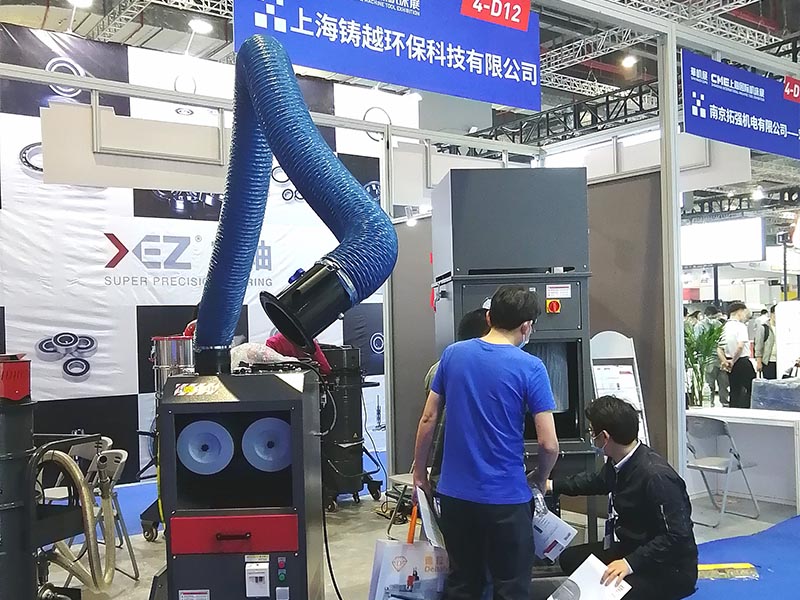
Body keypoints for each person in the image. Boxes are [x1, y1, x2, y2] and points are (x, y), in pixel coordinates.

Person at [412, 285, 560, 600]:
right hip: (507, 500)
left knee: (463, 584)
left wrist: (420, 474)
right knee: (510, 588)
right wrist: (540, 477)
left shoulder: (453, 355)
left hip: (456, 498)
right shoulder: (531, 367)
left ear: (489, 317)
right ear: (527, 326)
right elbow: (549, 444)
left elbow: (428, 419)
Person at [550, 396, 697, 600]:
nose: (591, 437)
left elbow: (677, 536)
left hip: (669, 568)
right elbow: (597, 482)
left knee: (609, 593)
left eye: (592, 432)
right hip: (632, 547)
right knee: (570, 559)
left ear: (604, 437)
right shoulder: (619, 462)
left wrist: (629, 564)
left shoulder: (656, 476)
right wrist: (552, 485)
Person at [424, 308, 491, 490]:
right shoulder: (485, 369)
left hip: (444, 475)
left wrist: (420, 470)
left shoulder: (437, 368)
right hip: (477, 477)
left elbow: (429, 420)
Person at [718, 302, 756, 408]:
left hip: (729, 363)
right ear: (739, 311)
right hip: (742, 362)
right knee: (752, 388)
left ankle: (734, 411)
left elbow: (719, 348)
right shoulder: (740, 326)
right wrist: (733, 361)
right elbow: (740, 346)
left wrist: (725, 361)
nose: (745, 315)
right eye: (744, 312)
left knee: (734, 390)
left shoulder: (723, 327)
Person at [694, 305, 728, 406]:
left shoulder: (699, 326)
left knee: (709, 384)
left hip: (707, 358)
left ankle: (710, 403)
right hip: (721, 357)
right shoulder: (720, 324)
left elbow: (697, 342)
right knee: (723, 384)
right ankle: (725, 403)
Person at [754, 305, 778, 380]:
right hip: (769, 361)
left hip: (782, 362)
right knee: (770, 384)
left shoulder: (784, 328)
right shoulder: (764, 327)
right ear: (772, 314)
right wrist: (759, 362)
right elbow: (758, 345)